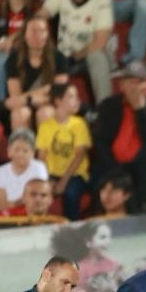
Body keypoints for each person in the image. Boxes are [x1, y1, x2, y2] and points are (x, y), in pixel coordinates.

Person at [93, 60, 146, 213]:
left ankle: (144, 206)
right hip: (111, 162)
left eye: (139, 82)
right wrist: (114, 166)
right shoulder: (108, 105)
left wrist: (140, 110)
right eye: (130, 82)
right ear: (121, 85)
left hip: (139, 164)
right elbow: (100, 141)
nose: (134, 87)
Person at [41, 0, 114, 105]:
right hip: (65, 56)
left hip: (89, 55)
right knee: (44, 57)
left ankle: (105, 111)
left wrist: (75, 56)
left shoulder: (102, 0)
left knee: (97, 57)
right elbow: (42, 15)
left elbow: (100, 42)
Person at [3, 13, 69, 131]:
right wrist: (43, 91)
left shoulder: (59, 58)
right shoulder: (13, 60)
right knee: (20, 114)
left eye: (42, 31)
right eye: (33, 31)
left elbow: (58, 95)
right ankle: (22, 148)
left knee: (46, 113)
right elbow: (16, 98)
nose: (38, 35)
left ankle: (45, 149)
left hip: (49, 105)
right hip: (23, 106)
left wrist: (30, 98)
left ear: (47, 34)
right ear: (24, 35)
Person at [36, 81, 91, 220]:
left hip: (75, 174)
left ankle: (72, 231)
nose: (77, 100)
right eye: (71, 96)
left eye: (77, 96)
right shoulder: (45, 126)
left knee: (70, 193)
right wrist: (46, 180)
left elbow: (79, 155)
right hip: (52, 174)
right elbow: (41, 156)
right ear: (58, 101)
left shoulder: (79, 124)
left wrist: (62, 183)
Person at [0, 128, 49, 214]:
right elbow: (1, 206)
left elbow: (39, 200)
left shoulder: (39, 168)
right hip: (9, 216)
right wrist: (22, 202)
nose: (20, 154)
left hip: (33, 215)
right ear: (9, 151)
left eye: (25, 151)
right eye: (17, 150)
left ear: (33, 153)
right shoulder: (0, 172)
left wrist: (15, 203)